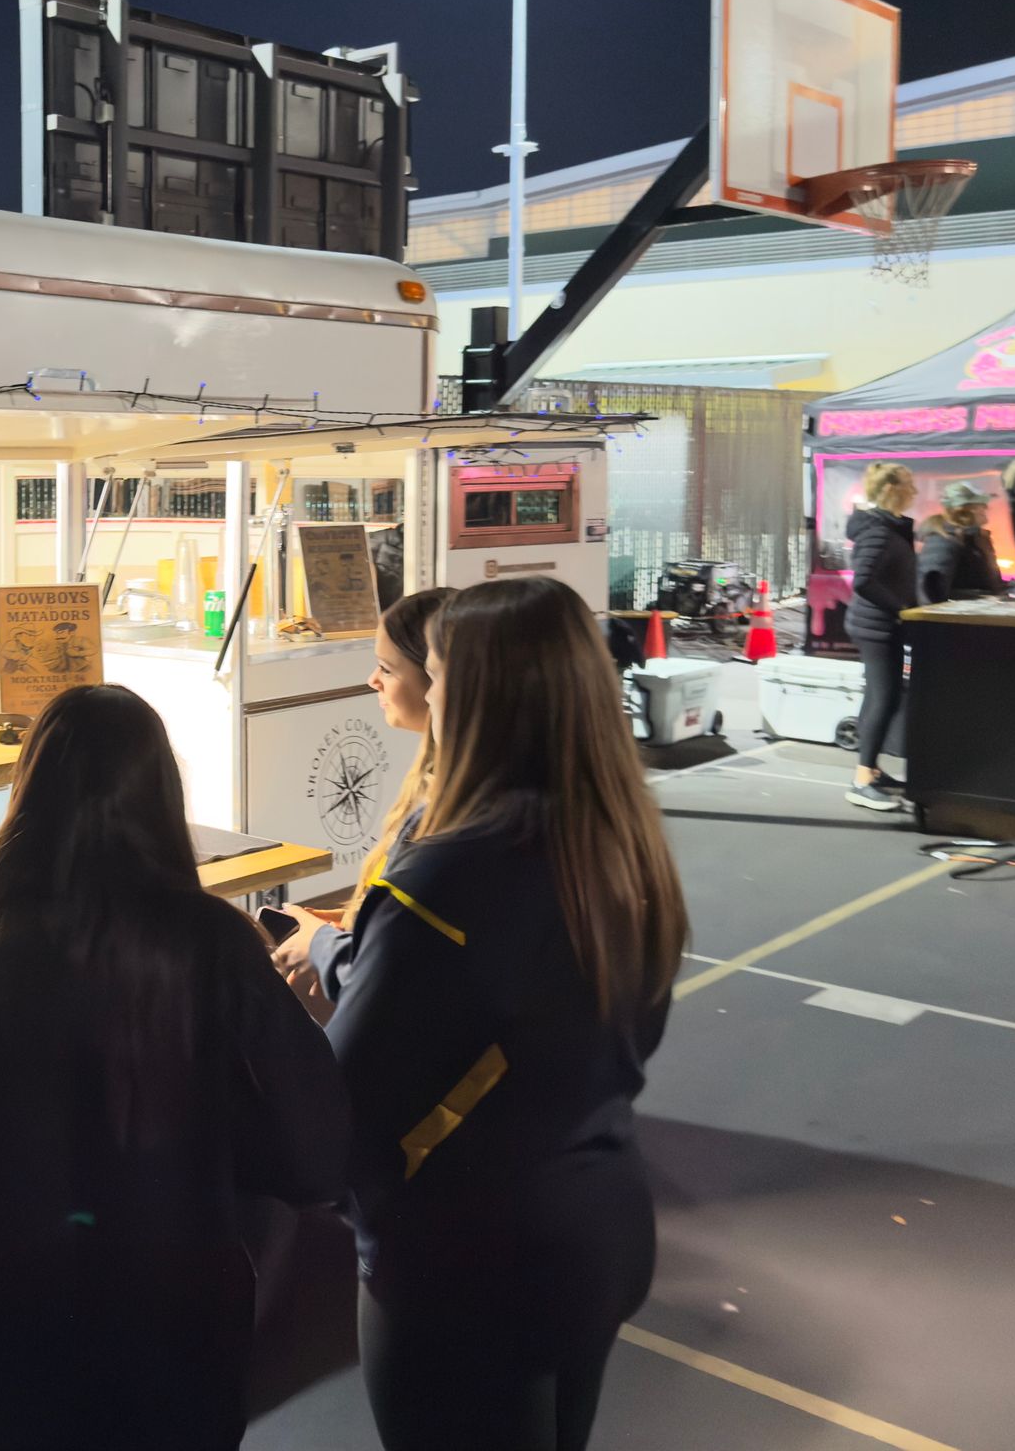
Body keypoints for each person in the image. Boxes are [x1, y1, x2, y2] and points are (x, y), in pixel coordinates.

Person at [0, 684, 348, 1451]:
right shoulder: (216, 943)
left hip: (12, 1321)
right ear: (163, 795)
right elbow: (317, 1157)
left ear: (27, 793)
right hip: (181, 1314)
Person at [318, 577, 687, 1451]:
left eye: (438, 674)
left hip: (469, 1263)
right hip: (599, 1223)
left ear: (481, 698)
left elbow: (345, 1100)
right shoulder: (615, 845)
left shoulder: (451, 878)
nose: (429, 690)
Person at [269, 586, 455, 1009]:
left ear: (435, 678)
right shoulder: (433, 785)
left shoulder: (446, 813)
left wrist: (323, 944)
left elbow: (397, 967)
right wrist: (351, 925)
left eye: (386, 669)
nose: (372, 680)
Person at [845, 462, 920, 811]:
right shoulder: (878, 530)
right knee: (884, 698)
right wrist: (900, 607)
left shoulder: (890, 528)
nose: (915, 492)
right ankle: (861, 781)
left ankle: (870, 769)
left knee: (881, 697)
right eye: (909, 485)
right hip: (876, 626)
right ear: (891, 489)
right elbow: (863, 581)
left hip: (882, 624)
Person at [917, 479, 1009, 605]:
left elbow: (989, 583)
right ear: (965, 509)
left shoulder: (974, 539)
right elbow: (931, 590)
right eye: (980, 504)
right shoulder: (944, 539)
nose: (986, 508)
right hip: (959, 620)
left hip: (975, 616)